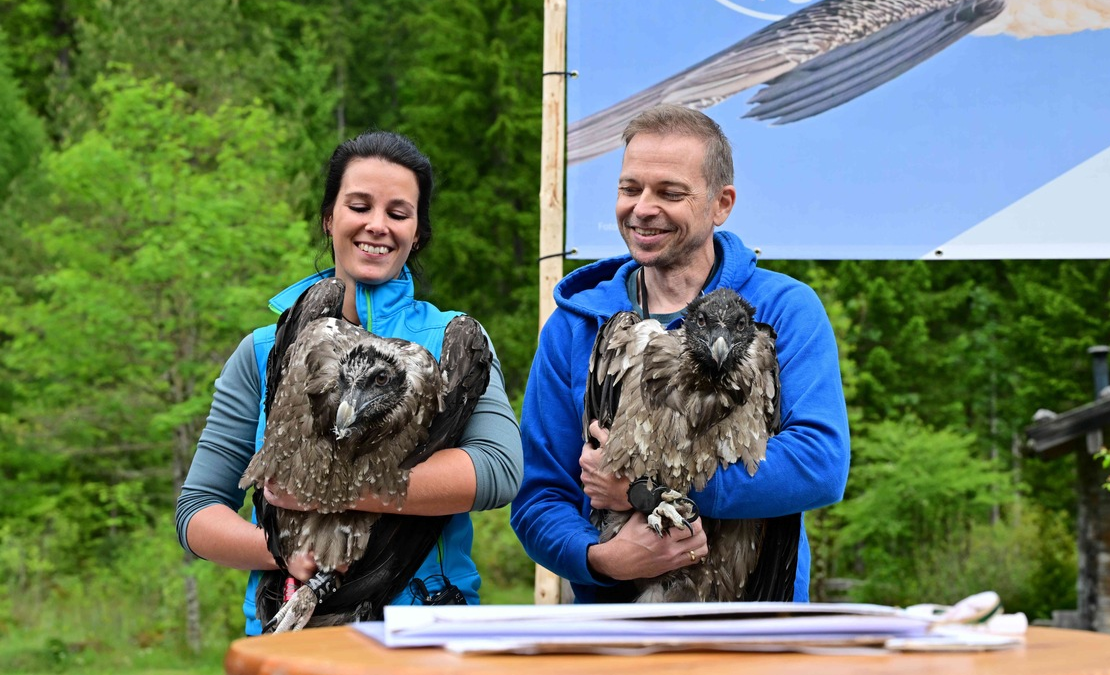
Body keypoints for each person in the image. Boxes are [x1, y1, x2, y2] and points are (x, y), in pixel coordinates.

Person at [175, 130, 522, 634]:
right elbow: (197, 511)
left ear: (418, 231)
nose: (377, 225)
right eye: (359, 206)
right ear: (329, 218)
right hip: (293, 633)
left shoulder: (453, 340)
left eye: (398, 213)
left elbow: (498, 471)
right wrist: (279, 550)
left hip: (424, 629)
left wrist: (328, 490)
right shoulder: (262, 350)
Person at [510, 104, 850, 602]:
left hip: (755, 623)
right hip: (621, 631)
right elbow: (539, 495)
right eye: (630, 189)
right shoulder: (575, 326)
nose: (643, 208)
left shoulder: (782, 309)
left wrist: (643, 488)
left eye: (670, 192)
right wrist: (600, 560)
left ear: (721, 203)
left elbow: (818, 463)